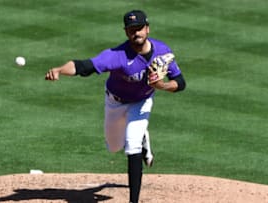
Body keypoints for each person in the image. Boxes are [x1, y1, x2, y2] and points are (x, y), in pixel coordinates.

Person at [45, 10, 186, 203]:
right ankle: (144, 137)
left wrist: (162, 86)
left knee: (132, 145)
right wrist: (59, 69)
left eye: (139, 28)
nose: (136, 33)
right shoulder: (117, 55)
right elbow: (83, 66)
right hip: (115, 103)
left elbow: (180, 82)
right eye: (131, 30)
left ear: (147, 28)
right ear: (126, 32)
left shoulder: (162, 52)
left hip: (141, 103)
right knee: (114, 147)